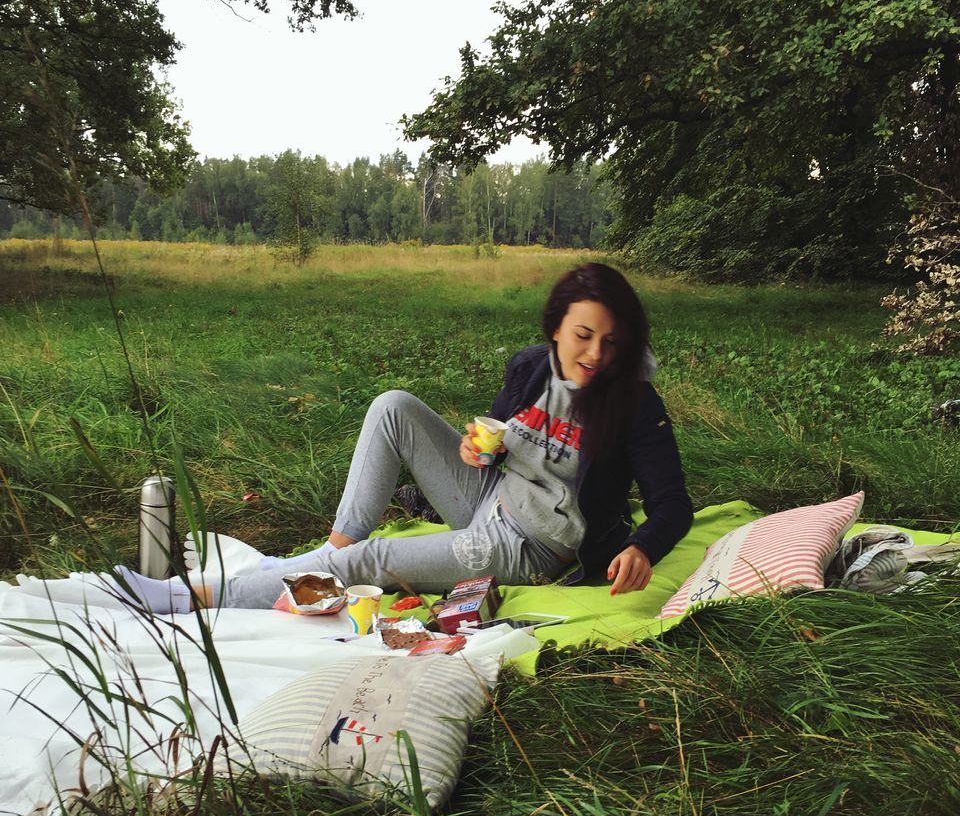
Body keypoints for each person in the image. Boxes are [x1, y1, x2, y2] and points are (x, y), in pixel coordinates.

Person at [30, 263, 693, 614]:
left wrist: (641, 547)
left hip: (532, 545)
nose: (596, 353)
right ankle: (332, 548)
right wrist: (474, 450)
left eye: (611, 341)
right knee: (392, 406)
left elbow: (674, 505)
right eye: (583, 336)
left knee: (374, 565)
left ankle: (187, 599)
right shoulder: (529, 365)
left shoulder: (633, 401)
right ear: (557, 328)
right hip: (490, 502)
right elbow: (491, 443)